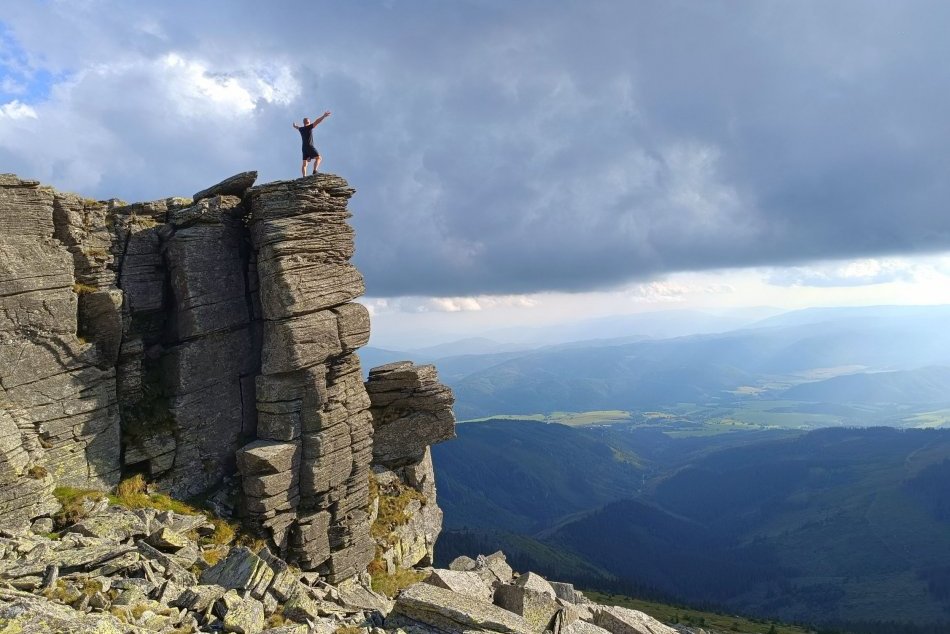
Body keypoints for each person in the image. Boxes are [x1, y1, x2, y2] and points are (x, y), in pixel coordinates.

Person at [293, 111, 331, 177]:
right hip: (309, 146)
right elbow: (317, 121)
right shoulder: (308, 127)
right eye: (309, 122)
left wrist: (295, 125)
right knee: (319, 158)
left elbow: (297, 127)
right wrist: (324, 116)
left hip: (303, 148)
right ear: (308, 122)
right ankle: (314, 171)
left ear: (303, 122)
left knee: (305, 164)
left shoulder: (301, 129)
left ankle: (304, 177)